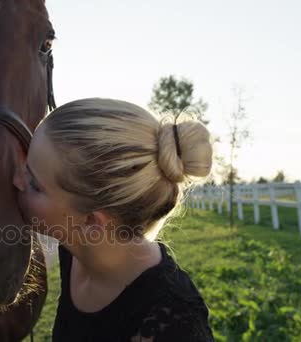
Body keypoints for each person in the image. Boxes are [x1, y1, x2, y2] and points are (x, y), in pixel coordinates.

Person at [13, 98, 215, 341]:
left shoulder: (172, 325)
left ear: (91, 223)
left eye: (35, 184)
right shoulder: (75, 252)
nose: (16, 180)